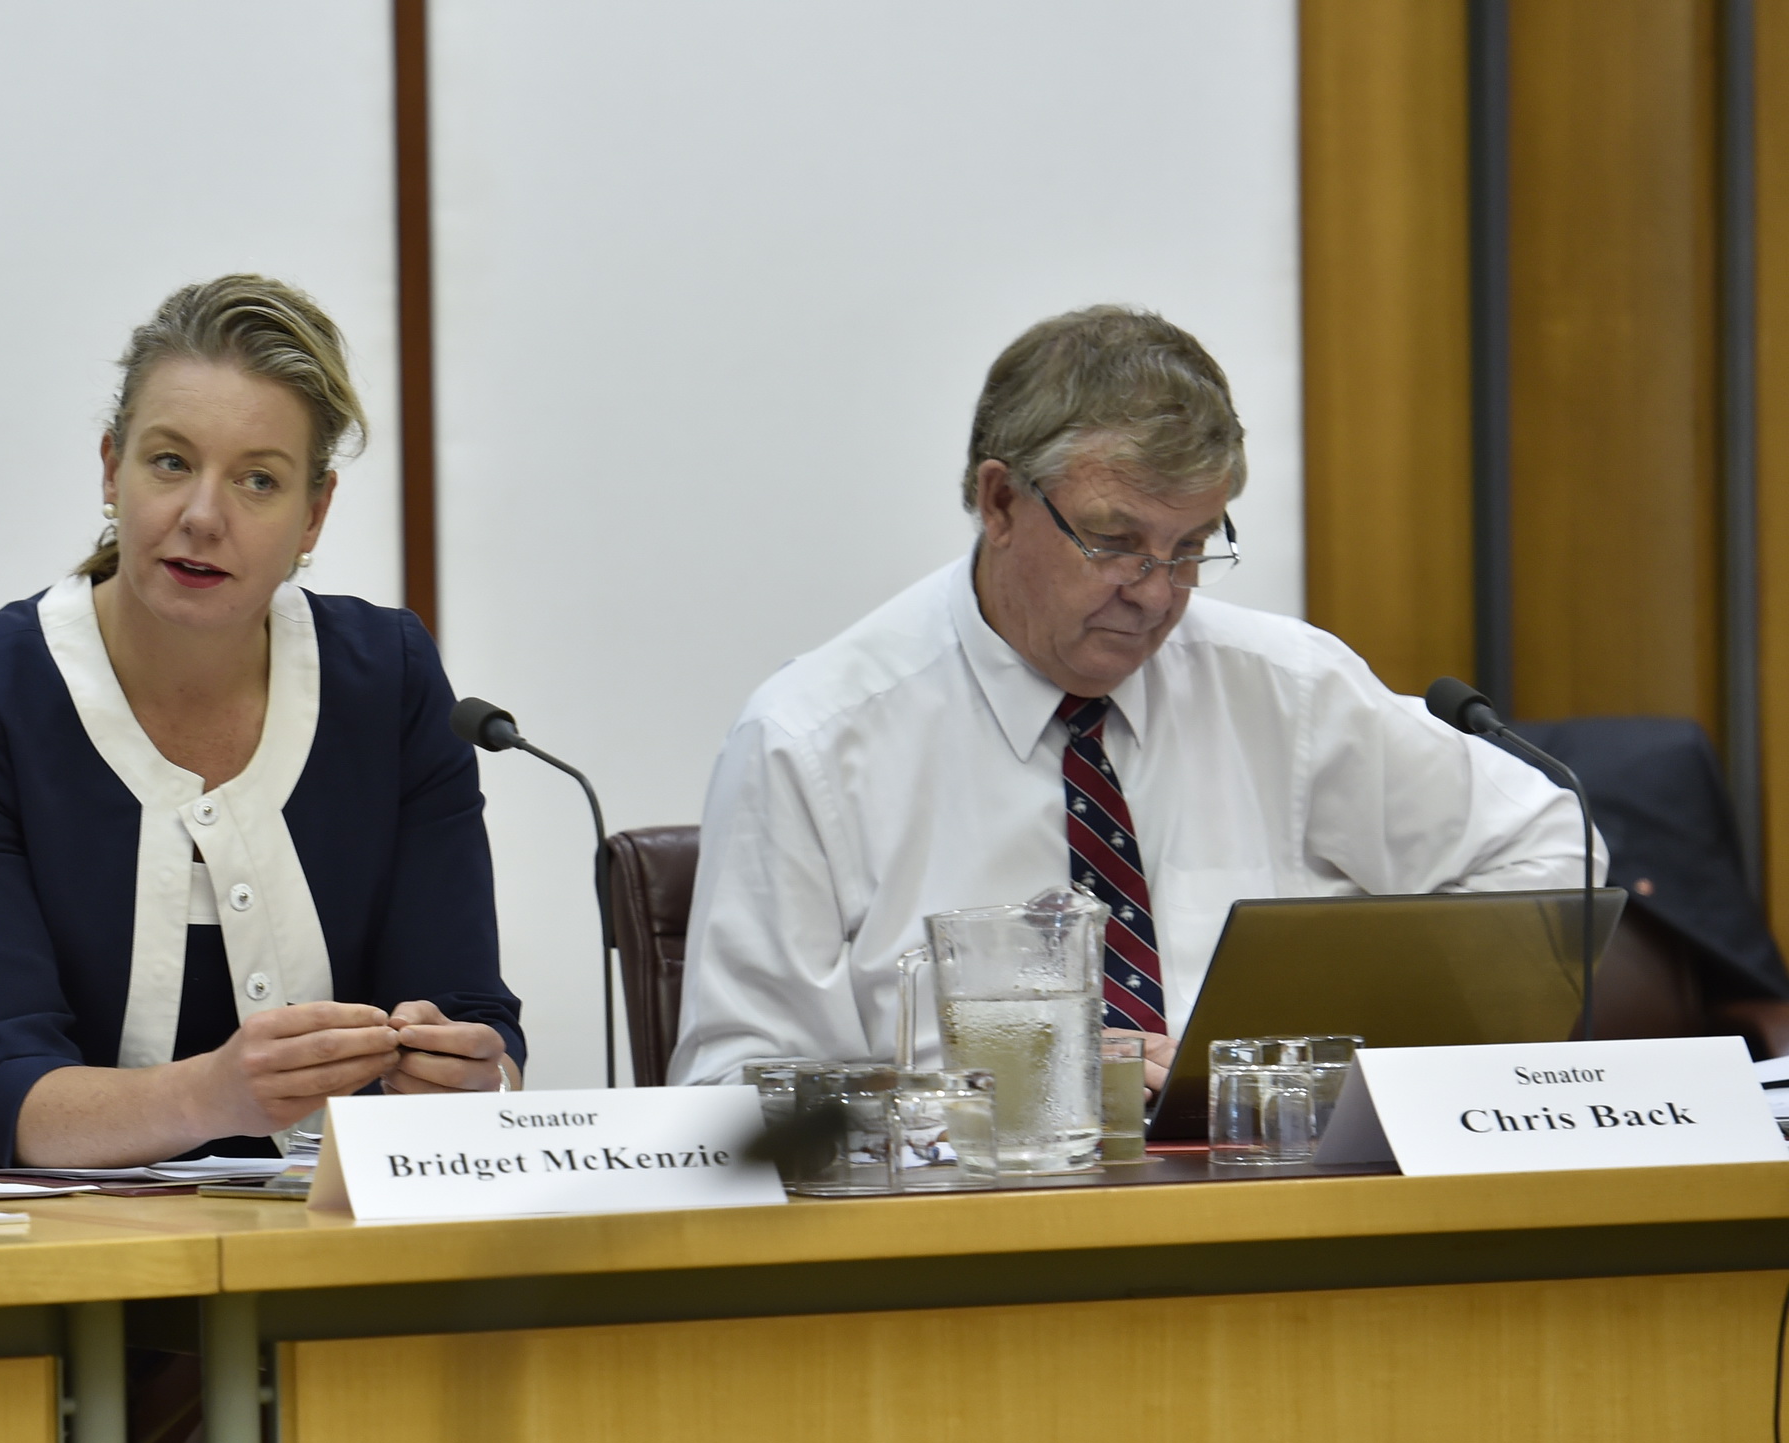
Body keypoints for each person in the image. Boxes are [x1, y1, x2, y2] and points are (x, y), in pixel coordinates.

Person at [670, 304, 1596, 1090]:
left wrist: (1340, 1055)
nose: (1156, 591)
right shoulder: (814, 740)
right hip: (966, 1237)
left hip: (1275, 1215)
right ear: (999, 503)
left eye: (1192, 546)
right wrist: (987, 1093)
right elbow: (733, 1085)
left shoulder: (1285, 689)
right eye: (1116, 542)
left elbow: (1557, 855)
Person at [0, 273, 523, 1177]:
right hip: (18, 1244)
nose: (201, 515)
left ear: (314, 514)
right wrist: (215, 1095)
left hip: (325, 1236)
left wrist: (472, 1077)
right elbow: (2, 1087)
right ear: (112, 468)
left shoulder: (391, 679)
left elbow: (473, 1012)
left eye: (258, 480)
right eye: (171, 461)